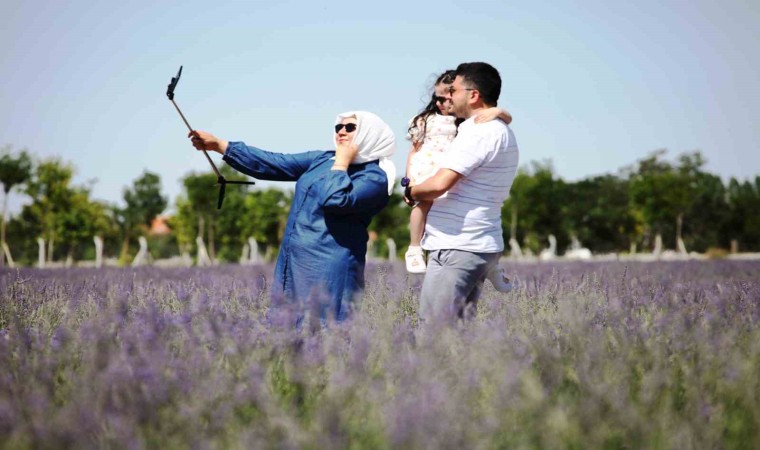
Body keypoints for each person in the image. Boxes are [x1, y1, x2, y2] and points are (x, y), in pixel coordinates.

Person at [189, 111, 396, 323]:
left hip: (329, 267)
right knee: (287, 328)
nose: (341, 131)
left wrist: (341, 165)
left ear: (368, 133)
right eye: (338, 127)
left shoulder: (373, 177)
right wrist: (219, 145)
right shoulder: (323, 159)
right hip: (294, 261)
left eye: (350, 127)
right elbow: (274, 162)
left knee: (326, 330)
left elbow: (335, 200)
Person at [403, 62, 519, 323]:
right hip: (476, 244)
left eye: (453, 90)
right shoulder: (495, 129)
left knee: (434, 334)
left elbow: (439, 184)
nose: (448, 96)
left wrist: (411, 190)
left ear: (473, 95)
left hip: (457, 245)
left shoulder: (479, 133)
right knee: (458, 336)